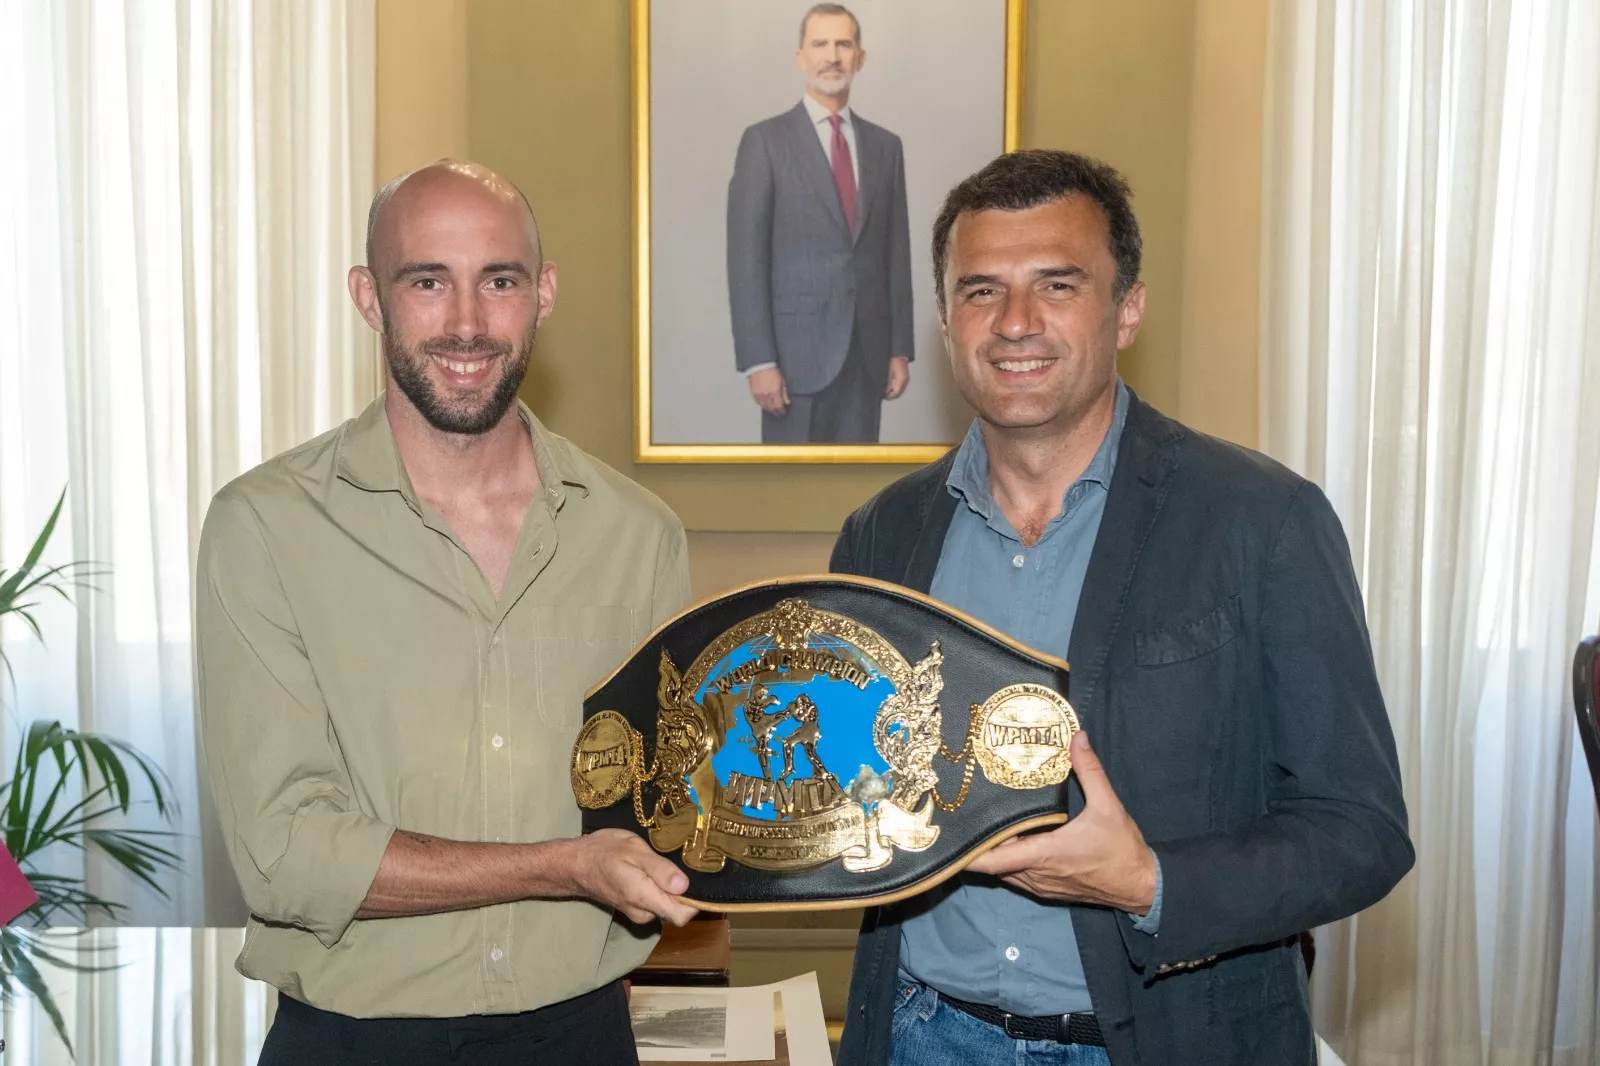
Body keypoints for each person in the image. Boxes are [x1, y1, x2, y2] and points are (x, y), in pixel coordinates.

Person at [830, 150, 1413, 1065]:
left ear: (1127, 308)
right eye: (981, 291)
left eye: (1057, 284)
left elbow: (1363, 831)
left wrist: (1149, 881)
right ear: (945, 320)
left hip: (1172, 1040)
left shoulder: (1265, 522)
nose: (1015, 322)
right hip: (921, 1033)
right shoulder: (880, 537)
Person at [195, 161, 697, 1065]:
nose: (467, 322)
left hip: (583, 1034)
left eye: (498, 280)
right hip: (350, 1043)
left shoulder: (640, 535)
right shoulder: (263, 528)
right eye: (427, 280)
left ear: (541, 294)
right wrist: (560, 868)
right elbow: (285, 854)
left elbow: (666, 804)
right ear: (368, 297)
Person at [727, 2, 914, 444]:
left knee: (859, 501)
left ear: (860, 57)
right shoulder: (764, 142)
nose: (832, 55)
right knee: (788, 499)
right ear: (801, 57)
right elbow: (746, 260)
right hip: (792, 363)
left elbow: (896, 253)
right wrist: (759, 362)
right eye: (820, 44)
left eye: (843, 44)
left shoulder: (886, 147)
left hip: (867, 356)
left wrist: (899, 348)